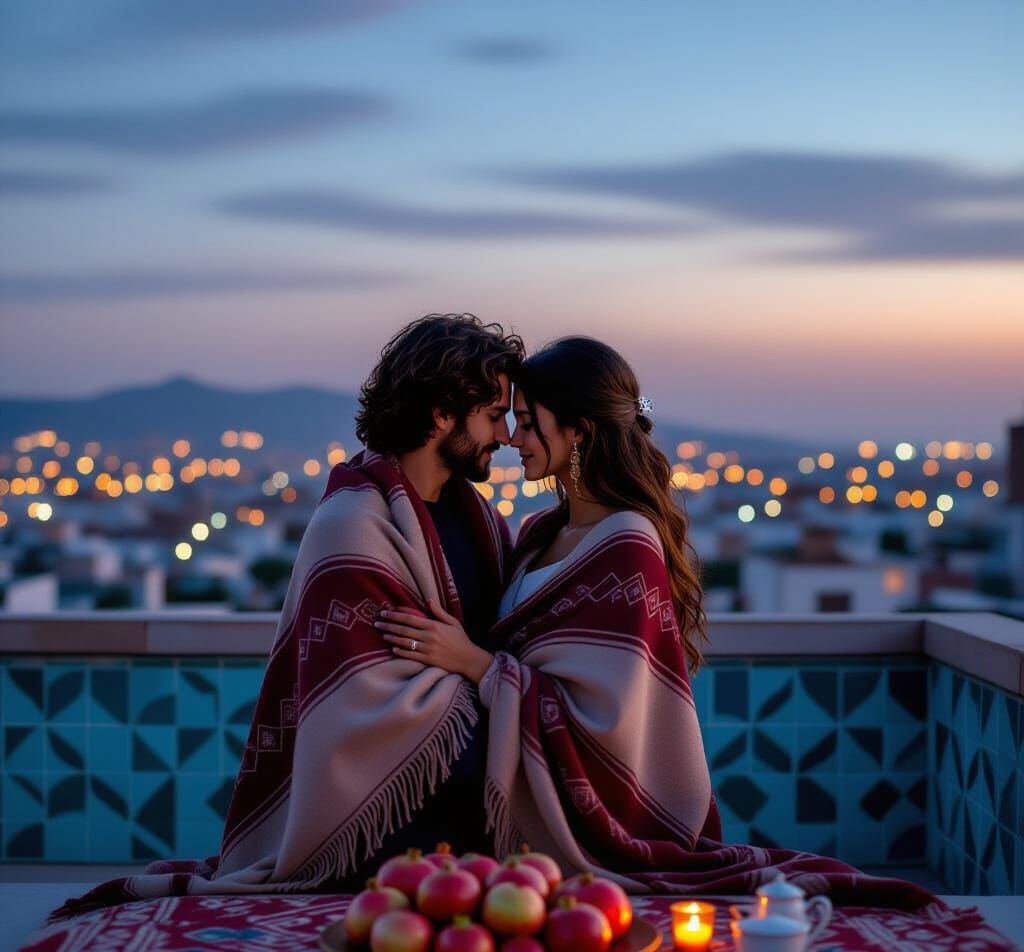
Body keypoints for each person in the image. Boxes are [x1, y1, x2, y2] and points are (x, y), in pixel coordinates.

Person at [378, 336, 933, 909]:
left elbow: (606, 718)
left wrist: (472, 662)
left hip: (592, 812)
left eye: (526, 421)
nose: (513, 438)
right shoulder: (539, 536)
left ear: (578, 431)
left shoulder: (627, 543)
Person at [55, 313, 524, 918]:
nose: (506, 436)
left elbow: (497, 646)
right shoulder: (353, 527)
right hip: (390, 818)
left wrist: (484, 670)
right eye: (494, 415)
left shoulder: (482, 524)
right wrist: (504, 696)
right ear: (441, 414)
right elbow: (362, 701)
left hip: (469, 820)